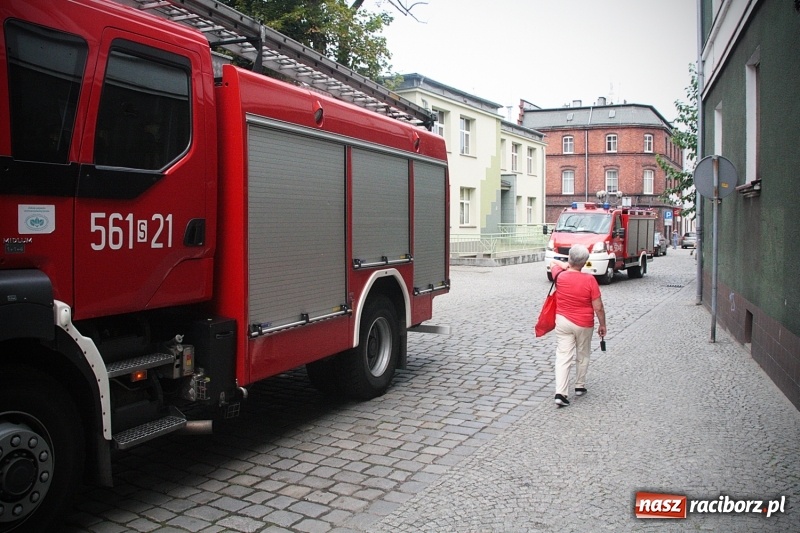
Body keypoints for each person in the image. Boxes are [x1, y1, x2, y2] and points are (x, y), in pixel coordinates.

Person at [549, 244, 607, 407]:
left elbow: (553, 262)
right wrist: (602, 324)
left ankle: (560, 393)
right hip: (584, 323)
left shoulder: (560, 276)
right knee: (583, 353)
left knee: (563, 355)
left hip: (563, 321)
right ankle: (579, 386)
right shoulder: (590, 280)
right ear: (585, 262)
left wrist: (565, 264)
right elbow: (598, 307)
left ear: (569, 258)